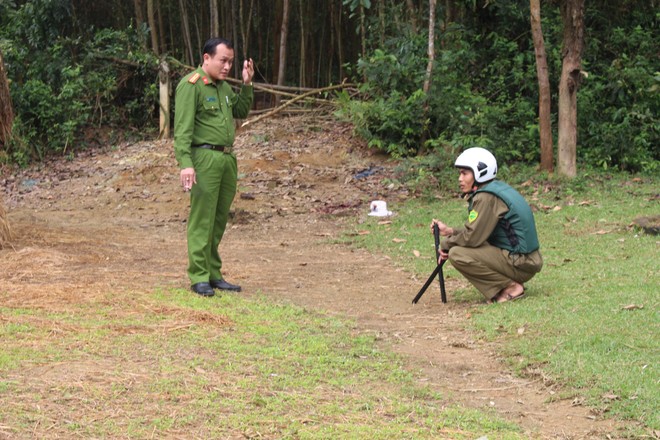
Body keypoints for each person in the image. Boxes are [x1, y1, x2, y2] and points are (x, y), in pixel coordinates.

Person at [174, 38, 254, 297]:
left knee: (219, 218)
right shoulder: (191, 86)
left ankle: (213, 273)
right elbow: (182, 131)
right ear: (206, 58)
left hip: (226, 160)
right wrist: (186, 164)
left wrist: (247, 83)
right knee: (202, 219)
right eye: (223, 60)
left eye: (231, 61)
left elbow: (241, 110)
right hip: (204, 159)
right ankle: (198, 276)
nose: (227, 66)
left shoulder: (223, 88)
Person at [430, 147, 543, 303]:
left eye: (464, 173)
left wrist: (445, 244)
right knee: (458, 248)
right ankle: (508, 284)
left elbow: (472, 238)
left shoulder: (486, 197)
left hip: (520, 263)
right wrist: (450, 231)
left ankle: (511, 288)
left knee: (457, 253)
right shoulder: (495, 189)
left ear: (480, 172)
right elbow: (480, 231)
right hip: (526, 260)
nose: (460, 179)